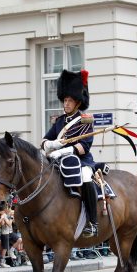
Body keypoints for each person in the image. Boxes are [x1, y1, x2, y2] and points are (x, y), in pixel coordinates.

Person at [42, 69, 99, 238]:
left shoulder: (85, 121)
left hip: (81, 161)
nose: (66, 103)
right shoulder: (59, 121)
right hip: (59, 161)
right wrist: (52, 144)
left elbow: (84, 147)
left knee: (86, 176)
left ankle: (93, 222)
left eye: (70, 100)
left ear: (78, 103)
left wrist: (64, 150)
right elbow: (44, 141)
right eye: (65, 100)